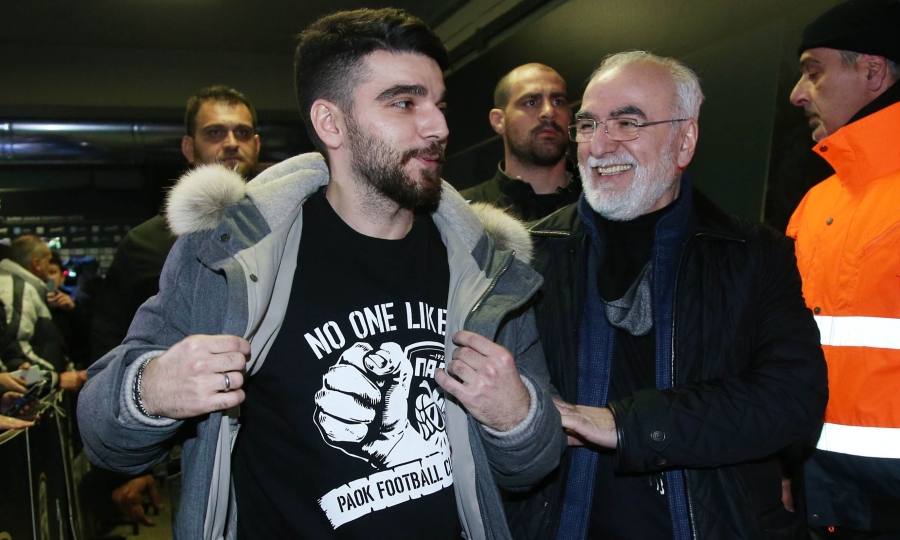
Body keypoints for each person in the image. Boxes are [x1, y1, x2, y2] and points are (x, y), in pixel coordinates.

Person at [78, 8, 563, 540]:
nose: (439, 127)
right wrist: (152, 389)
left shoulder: (485, 269)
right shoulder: (232, 258)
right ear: (331, 123)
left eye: (438, 104)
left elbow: (534, 466)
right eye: (404, 103)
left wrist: (516, 418)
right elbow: (103, 437)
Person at [508, 51, 829, 540]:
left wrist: (627, 425)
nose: (599, 145)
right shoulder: (530, 257)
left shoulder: (753, 255)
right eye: (589, 125)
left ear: (685, 141)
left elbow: (793, 401)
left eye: (627, 123)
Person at [787, 0, 900, 537]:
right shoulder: (815, 204)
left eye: (813, 71)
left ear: (873, 72)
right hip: (823, 494)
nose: (797, 93)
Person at [90, 85, 262, 360]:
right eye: (214, 132)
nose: (231, 142)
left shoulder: (289, 226)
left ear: (256, 145)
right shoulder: (144, 244)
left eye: (242, 132)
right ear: (189, 148)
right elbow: (109, 343)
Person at [461, 63, 581, 221]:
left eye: (558, 102)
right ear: (498, 121)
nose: (549, 112)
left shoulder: (601, 201)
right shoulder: (464, 212)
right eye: (531, 102)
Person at [0, 236, 86, 390]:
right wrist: (56, 379)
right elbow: (14, 357)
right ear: (36, 264)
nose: (49, 266)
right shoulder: (19, 290)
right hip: (32, 391)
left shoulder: (24, 287)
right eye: (48, 260)